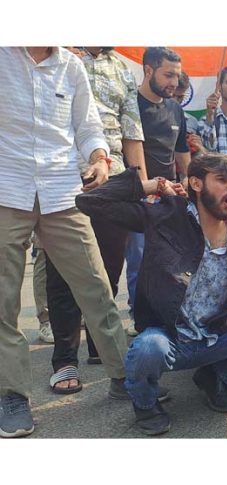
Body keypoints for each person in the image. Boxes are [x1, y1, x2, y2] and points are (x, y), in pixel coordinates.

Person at [75, 153, 227, 435]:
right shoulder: (166, 217)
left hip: (217, 333)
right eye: (222, 180)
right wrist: (153, 185)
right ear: (196, 183)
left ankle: (214, 378)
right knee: (148, 349)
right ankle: (146, 404)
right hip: (169, 336)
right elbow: (89, 201)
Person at [0, 47, 129, 438]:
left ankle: (126, 377)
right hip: (6, 190)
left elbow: (88, 126)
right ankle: (12, 394)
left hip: (61, 192)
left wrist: (100, 158)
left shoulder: (72, 66)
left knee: (97, 289)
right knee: (3, 303)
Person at [42, 46, 148, 393]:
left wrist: (140, 186)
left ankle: (101, 348)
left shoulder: (121, 68)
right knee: (63, 274)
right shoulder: (54, 54)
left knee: (107, 270)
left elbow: (132, 132)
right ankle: (64, 359)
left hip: (113, 176)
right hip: (62, 175)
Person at [125, 47, 191, 336]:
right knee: (139, 262)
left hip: (170, 198)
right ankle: (141, 322)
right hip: (138, 197)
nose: (174, 82)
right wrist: (146, 187)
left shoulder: (176, 109)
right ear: (148, 70)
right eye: (168, 75)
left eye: (177, 76)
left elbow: (181, 153)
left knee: (171, 261)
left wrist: (188, 181)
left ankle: (164, 317)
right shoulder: (130, 105)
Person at [174, 70, 206, 155]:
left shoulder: (192, 121)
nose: (176, 101)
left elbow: (198, 158)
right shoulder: (154, 117)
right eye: (172, 95)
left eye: (180, 97)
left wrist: (198, 146)